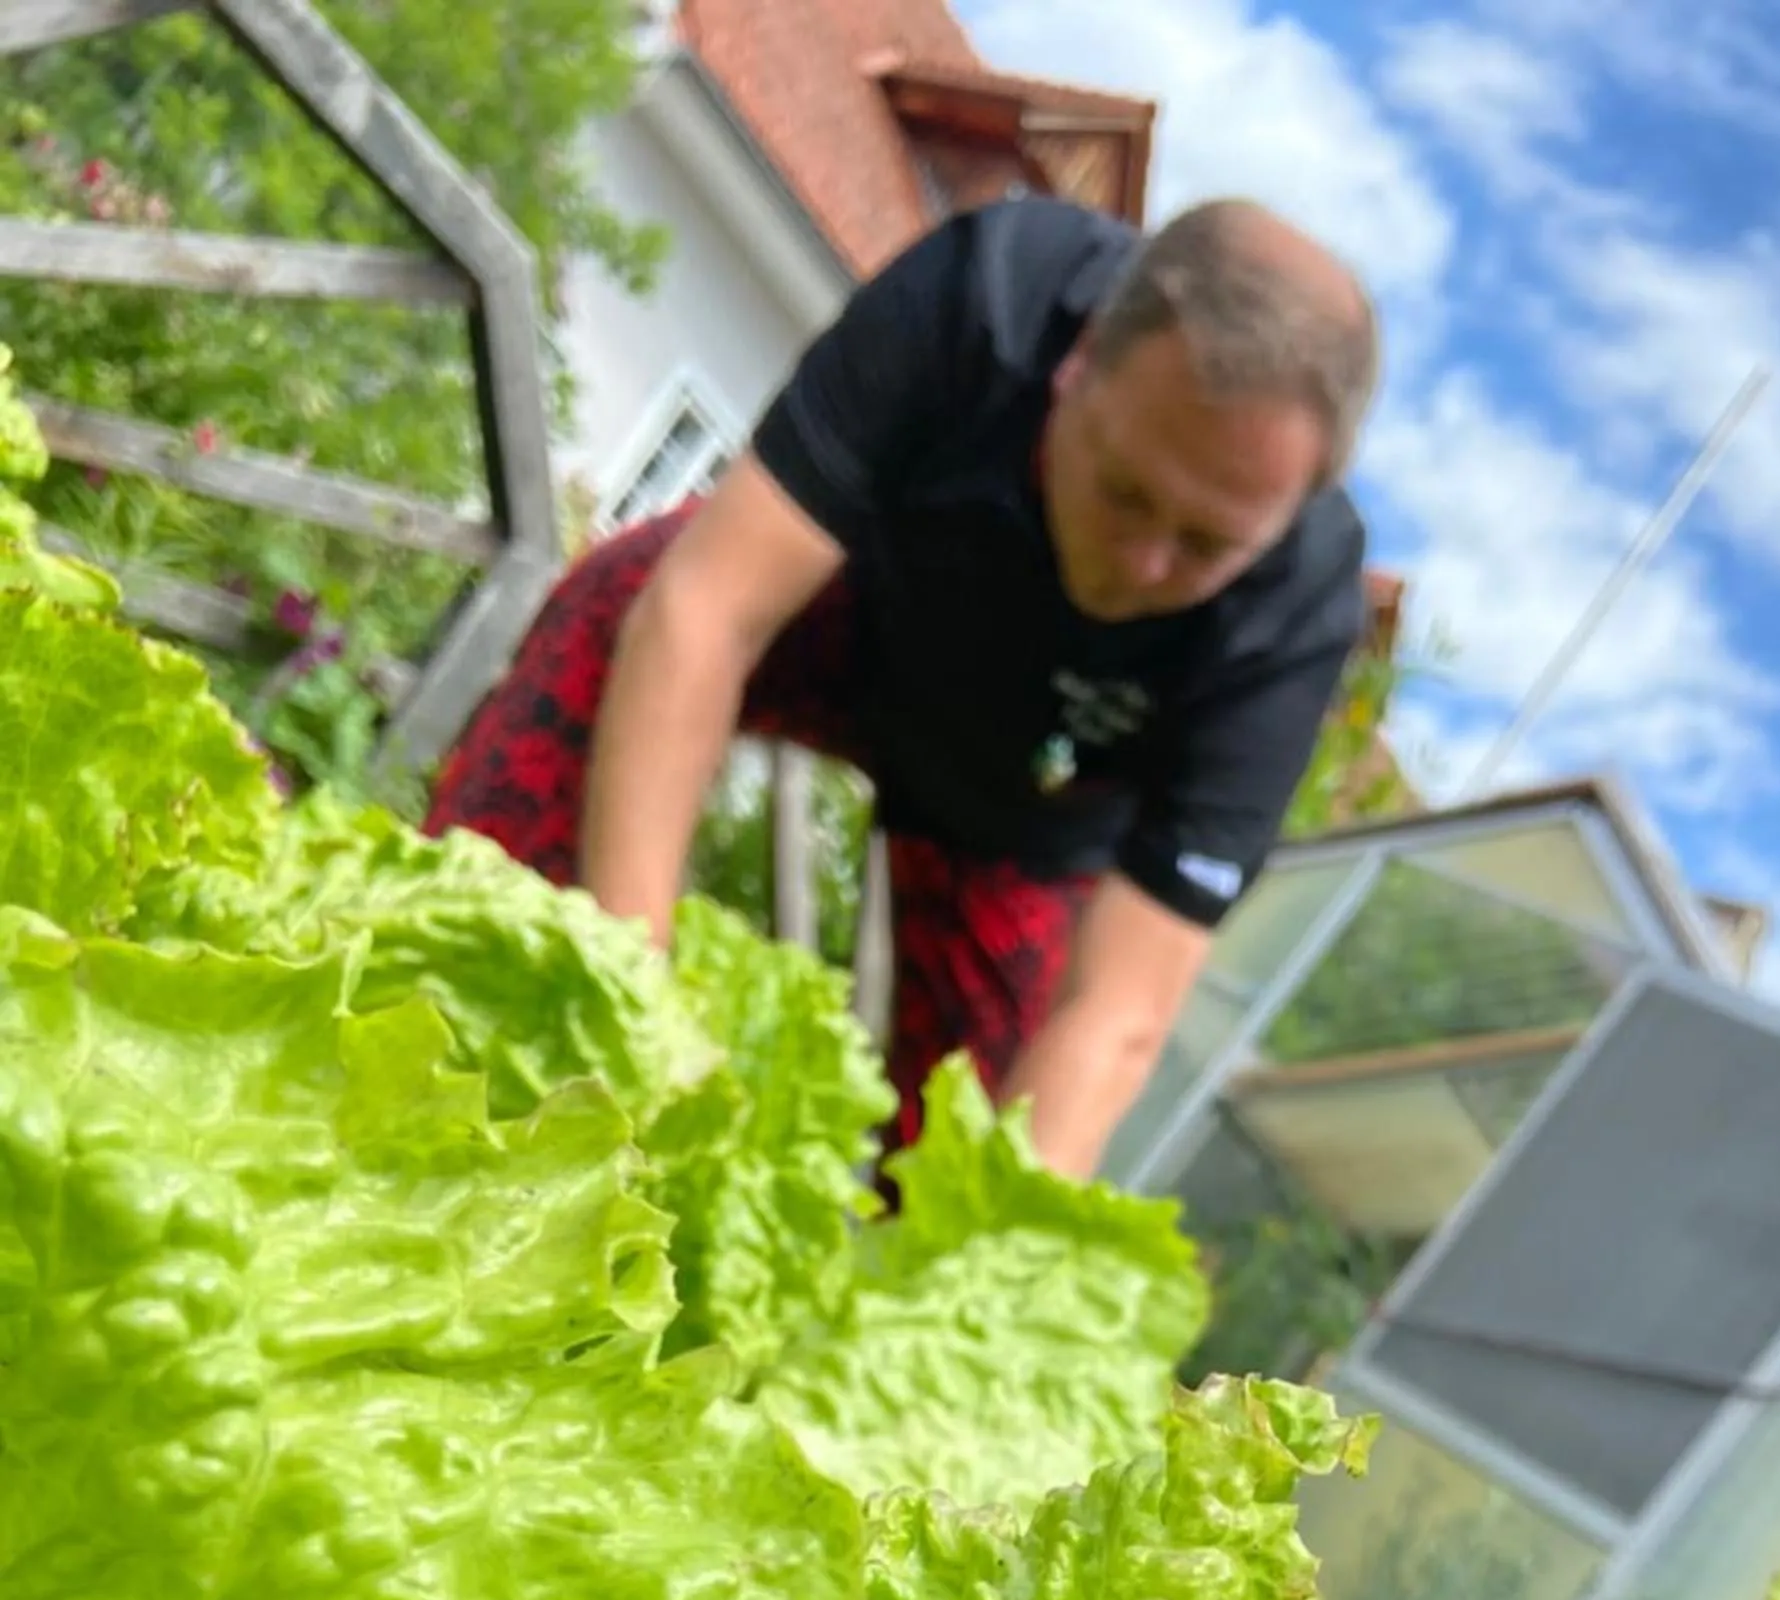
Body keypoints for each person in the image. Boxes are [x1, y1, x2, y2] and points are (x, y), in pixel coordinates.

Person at [424, 193, 1377, 1179]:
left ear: (1285, 521)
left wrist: (975, 1264)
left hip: (1020, 808)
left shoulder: (1296, 616)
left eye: (1205, 546)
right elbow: (704, 612)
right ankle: (435, 1022)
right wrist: (626, 993)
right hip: (843, 620)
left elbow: (1121, 1010)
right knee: (626, 599)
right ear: (1075, 369)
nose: (1142, 565)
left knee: (969, 1148)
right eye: (1125, 492)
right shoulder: (984, 294)